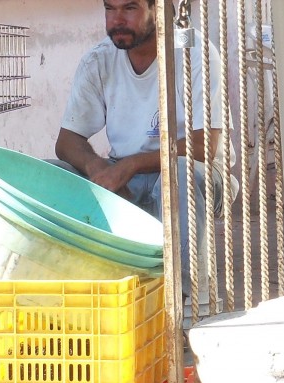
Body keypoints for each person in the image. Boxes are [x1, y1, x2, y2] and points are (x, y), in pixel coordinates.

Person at [55, 0, 234, 301]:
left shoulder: (195, 52)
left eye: (130, 8)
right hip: (125, 174)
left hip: (194, 174)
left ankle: (190, 301)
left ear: (160, 11)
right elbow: (66, 141)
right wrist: (98, 168)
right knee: (53, 175)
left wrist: (132, 164)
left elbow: (204, 145)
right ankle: (72, 297)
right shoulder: (98, 60)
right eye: (110, 9)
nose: (117, 20)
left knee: (179, 174)